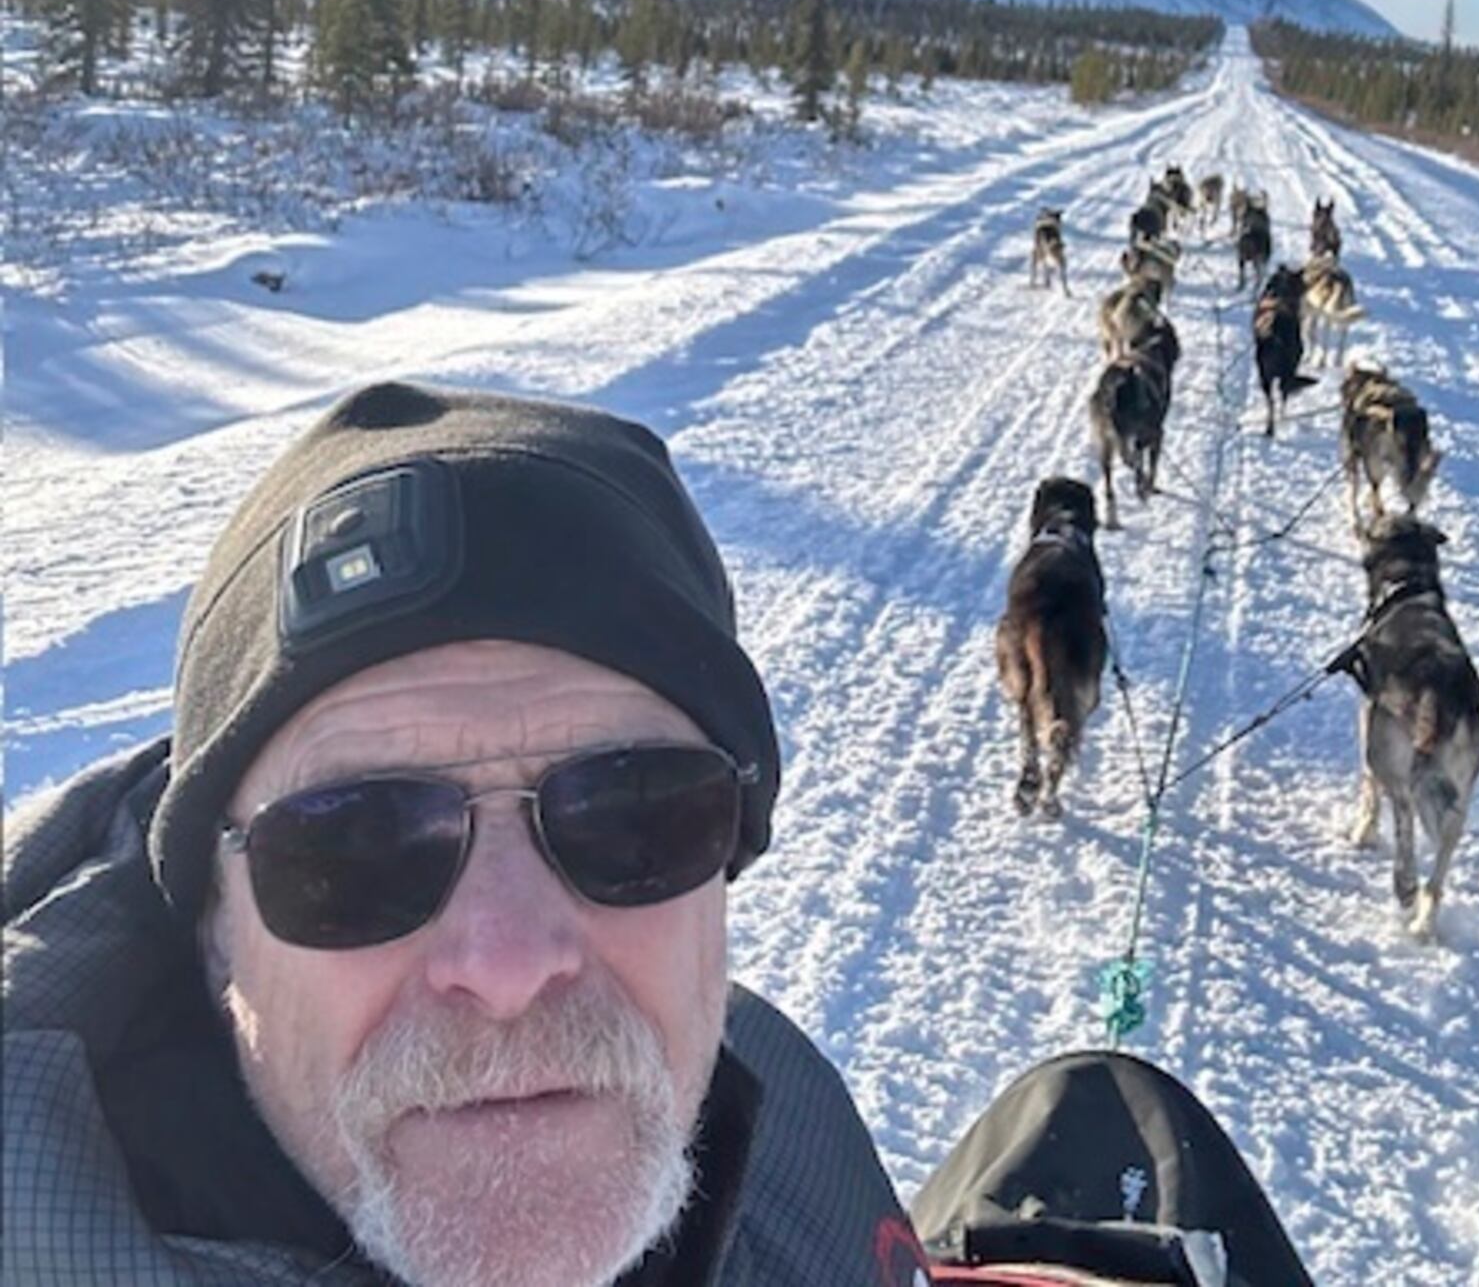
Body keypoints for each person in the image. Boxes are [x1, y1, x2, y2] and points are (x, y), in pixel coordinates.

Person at [3, 380, 927, 1287]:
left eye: (633, 814)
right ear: (213, 926)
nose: (509, 965)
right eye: (354, 847)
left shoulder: (775, 1104)